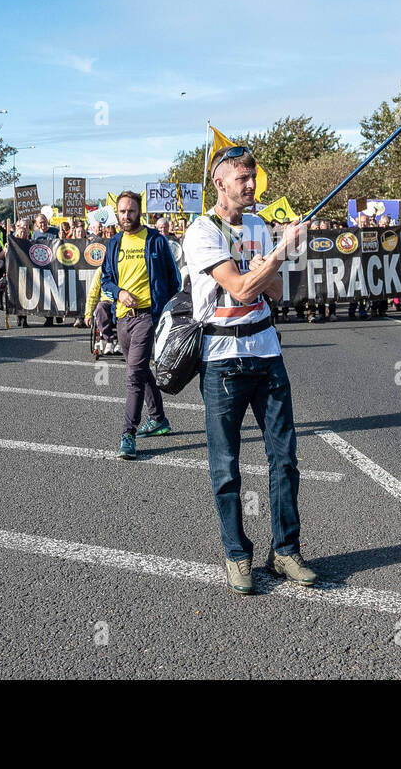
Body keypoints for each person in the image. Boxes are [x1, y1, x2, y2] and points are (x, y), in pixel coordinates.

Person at [182, 145, 316, 595]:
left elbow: (274, 291)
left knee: (285, 458)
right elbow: (239, 290)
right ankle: (237, 555)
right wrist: (277, 255)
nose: (251, 186)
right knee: (226, 466)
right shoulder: (202, 231)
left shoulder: (258, 226)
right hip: (222, 360)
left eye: (253, 177)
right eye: (242, 179)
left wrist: (271, 263)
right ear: (220, 183)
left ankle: (286, 551)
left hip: (267, 351)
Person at [100, 191, 181, 459]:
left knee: (133, 376)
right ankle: (158, 419)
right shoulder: (114, 243)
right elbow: (106, 280)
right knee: (140, 370)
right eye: (122, 211)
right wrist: (119, 292)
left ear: (139, 211)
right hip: (122, 318)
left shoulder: (156, 241)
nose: (126, 216)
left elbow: (174, 280)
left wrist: (163, 315)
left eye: (131, 211)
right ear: (117, 213)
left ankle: (128, 435)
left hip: (147, 317)